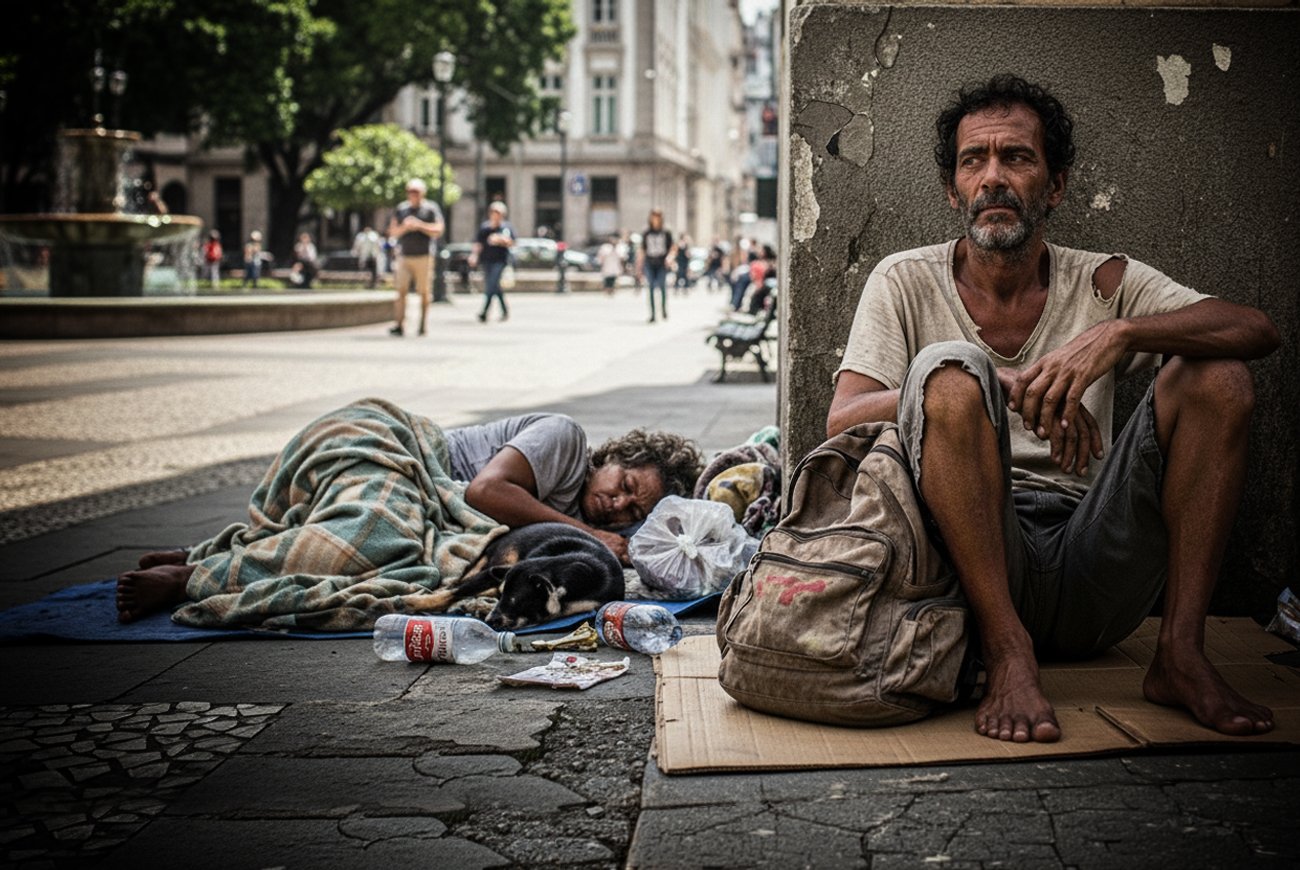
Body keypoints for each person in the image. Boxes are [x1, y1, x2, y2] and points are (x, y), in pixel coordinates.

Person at [827, 74, 1278, 743]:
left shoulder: (1104, 284)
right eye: (973, 161)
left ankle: (1181, 655)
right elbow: (843, 419)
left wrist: (1117, 336)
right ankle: (1009, 653)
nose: (993, 177)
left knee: (1219, 376)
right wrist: (997, 386)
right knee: (947, 376)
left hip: (1094, 559)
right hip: (969, 570)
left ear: (1055, 186)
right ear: (953, 190)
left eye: (1017, 157)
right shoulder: (904, 279)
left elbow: (1254, 329)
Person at [114, 401, 704, 624]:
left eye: (633, 508)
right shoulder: (566, 440)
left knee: (407, 561)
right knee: (377, 539)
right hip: (394, 446)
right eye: (624, 482)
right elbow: (482, 494)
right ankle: (190, 579)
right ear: (614, 456)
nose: (618, 502)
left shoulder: (572, 517)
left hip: (414, 488)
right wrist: (590, 531)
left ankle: (212, 555)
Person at [387, 178, 444, 336]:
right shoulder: (401, 209)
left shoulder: (430, 209)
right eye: (410, 191)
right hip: (404, 256)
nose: (413, 195)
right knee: (401, 290)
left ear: (422, 193)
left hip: (424, 256)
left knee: (424, 292)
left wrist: (419, 225)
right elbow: (393, 232)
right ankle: (399, 324)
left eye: (416, 192)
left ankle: (422, 324)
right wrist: (405, 227)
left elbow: (439, 229)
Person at [469, 201, 516, 322]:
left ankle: (484, 311)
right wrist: (474, 256)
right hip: (486, 260)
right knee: (494, 286)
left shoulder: (506, 228)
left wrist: (500, 240)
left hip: (500, 260)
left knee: (491, 285)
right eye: (493, 213)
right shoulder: (485, 228)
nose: (496, 215)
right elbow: (478, 243)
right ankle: (505, 310)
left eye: (498, 213)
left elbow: (512, 242)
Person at [637, 209, 674, 323]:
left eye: (658, 216)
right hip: (649, 262)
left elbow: (672, 248)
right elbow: (642, 250)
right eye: (654, 216)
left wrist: (669, 258)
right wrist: (639, 267)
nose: (656, 219)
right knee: (651, 287)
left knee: (662, 287)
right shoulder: (646, 233)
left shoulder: (666, 232)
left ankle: (663, 309)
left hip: (662, 263)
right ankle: (653, 314)